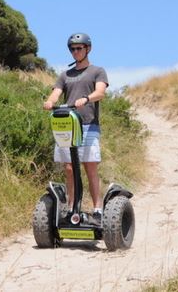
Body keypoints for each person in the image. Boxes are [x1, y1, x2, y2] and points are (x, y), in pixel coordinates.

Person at [43, 32, 109, 224]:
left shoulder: (97, 71)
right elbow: (56, 93)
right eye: (72, 49)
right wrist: (49, 101)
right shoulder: (65, 74)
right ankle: (72, 207)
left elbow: (100, 92)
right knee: (70, 168)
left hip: (88, 124)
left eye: (79, 48)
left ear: (88, 49)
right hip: (67, 125)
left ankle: (97, 209)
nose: (75, 52)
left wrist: (87, 99)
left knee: (90, 167)